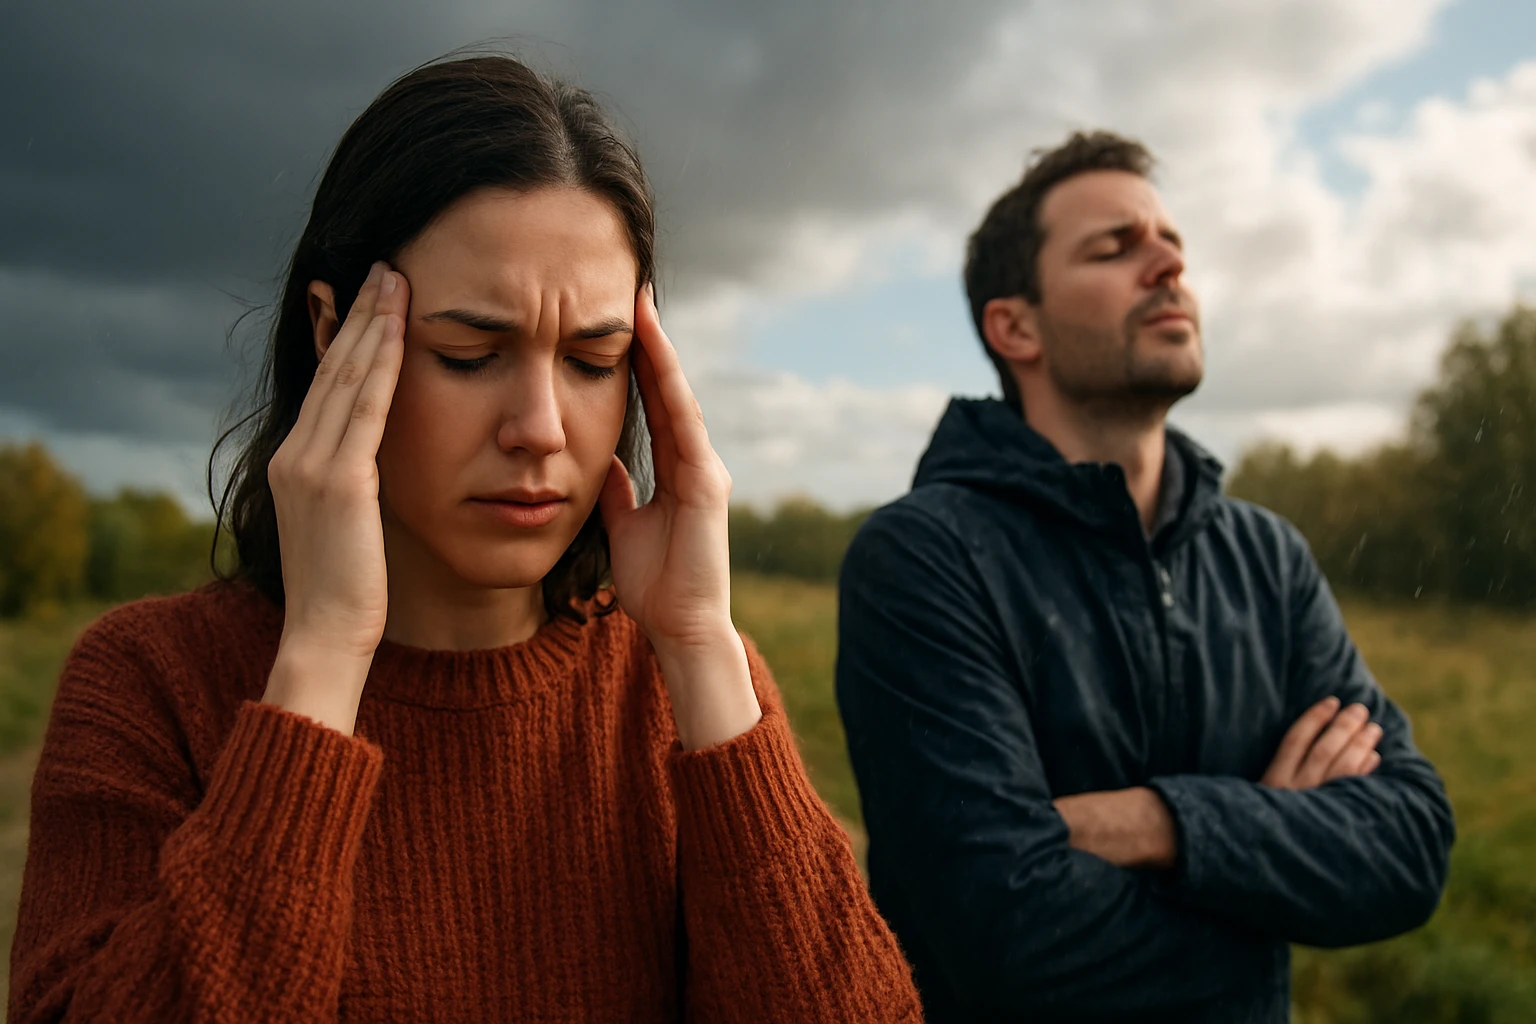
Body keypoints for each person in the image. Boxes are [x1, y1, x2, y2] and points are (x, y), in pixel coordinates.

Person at [10, 54, 922, 1023]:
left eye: (592, 359)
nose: (540, 425)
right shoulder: (151, 683)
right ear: (333, 333)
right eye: (471, 354)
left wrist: (700, 649)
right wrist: (320, 665)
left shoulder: (676, 695)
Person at [834, 130, 1455, 1023]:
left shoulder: (1265, 558)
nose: (1167, 263)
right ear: (1015, 327)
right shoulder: (925, 559)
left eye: (1171, 244)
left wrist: (1158, 825)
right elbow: (1010, 944)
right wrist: (1264, 876)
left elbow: (1410, 848)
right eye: (1114, 247)